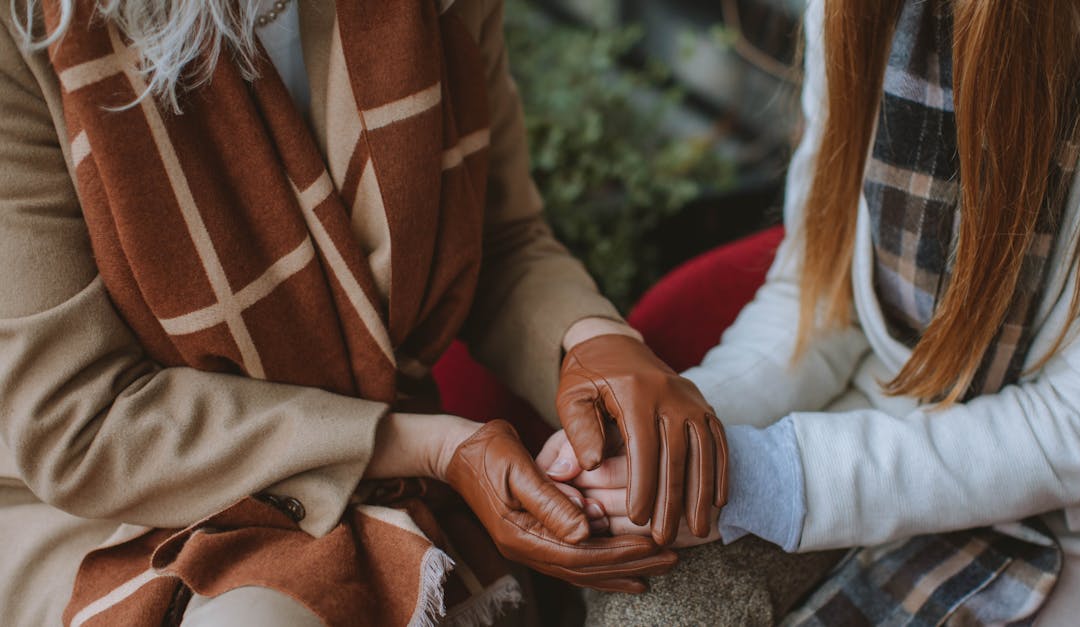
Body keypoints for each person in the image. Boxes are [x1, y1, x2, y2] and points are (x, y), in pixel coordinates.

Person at [0, 0, 728, 624]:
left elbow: (498, 240)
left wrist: (593, 344)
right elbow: (77, 418)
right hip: (112, 503)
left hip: (385, 457)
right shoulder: (27, 26)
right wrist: (433, 449)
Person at [540, 0, 1080, 624]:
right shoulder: (853, 9)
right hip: (877, 419)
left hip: (1077, 516)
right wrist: (670, 445)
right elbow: (820, 293)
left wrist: (764, 476)